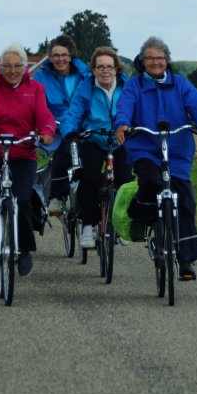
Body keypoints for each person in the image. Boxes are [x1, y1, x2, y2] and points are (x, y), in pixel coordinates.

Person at [114, 36, 197, 281]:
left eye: (160, 58)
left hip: (177, 149)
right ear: (142, 61)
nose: (156, 62)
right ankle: (140, 217)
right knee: (149, 180)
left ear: (167, 61)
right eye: (150, 58)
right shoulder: (134, 85)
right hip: (145, 147)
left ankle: (186, 259)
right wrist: (123, 124)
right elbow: (124, 107)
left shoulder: (180, 84)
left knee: (185, 201)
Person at [0, 44, 56, 276]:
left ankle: (24, 249)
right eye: (8, 66)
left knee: (23, 198)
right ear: (0, 68)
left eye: (18, 66)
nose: (13, 70)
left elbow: (45, 116)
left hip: (23, 150)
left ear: (25, 68)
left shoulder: (35, 89)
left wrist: (46, 131)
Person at [58, 47, 132, 249]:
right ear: (93, 70)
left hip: (120, 140)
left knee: (125, 180)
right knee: (89, 178)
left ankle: (121, 224)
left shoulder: (127, 86)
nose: (105, 71)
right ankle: (88, 225)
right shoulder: (86, 87)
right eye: (100, 67)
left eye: (109, 66)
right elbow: (73, 112)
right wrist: (70, 133)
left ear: (116, 68)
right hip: (95, 139)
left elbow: (137, 109)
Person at [33, 35, 92, 223]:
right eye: (56, 55)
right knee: (64, 151)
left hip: (83, 125)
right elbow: (39, 104)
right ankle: (56, 197)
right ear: (50, 58)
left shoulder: (85, 74)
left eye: (64, 55)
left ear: (71, 56)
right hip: (55, 127)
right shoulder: (41, 77)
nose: (60, 59)